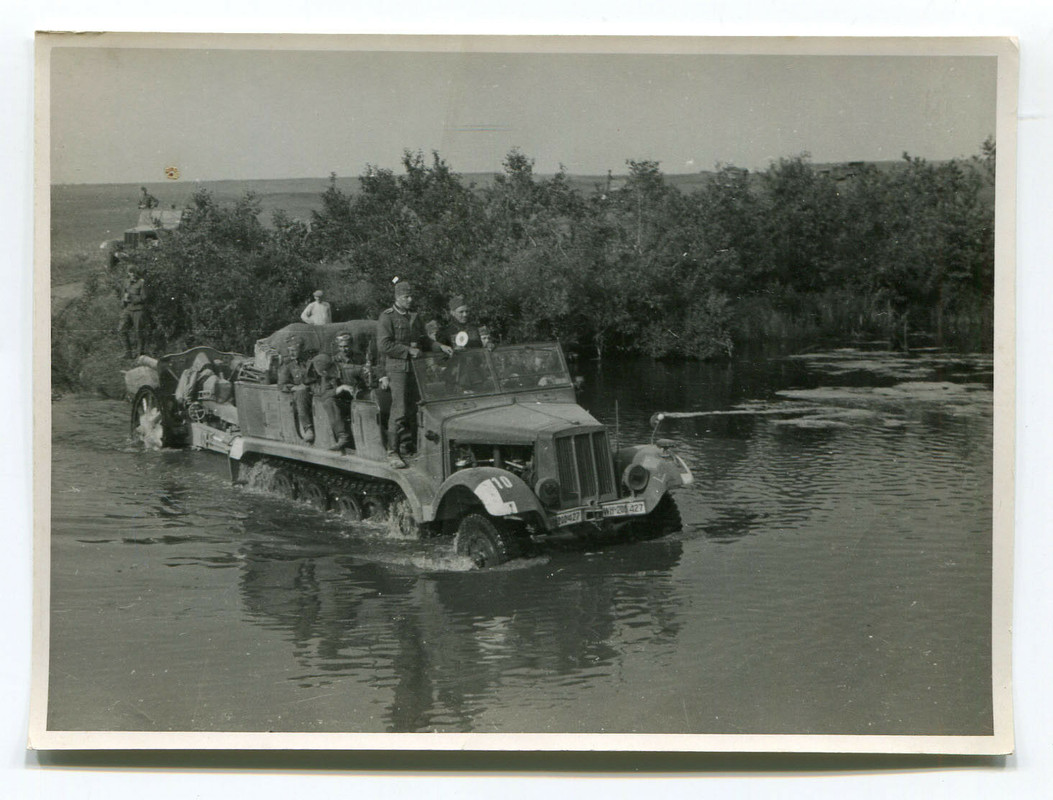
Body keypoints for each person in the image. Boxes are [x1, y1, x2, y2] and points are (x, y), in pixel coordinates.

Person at [377, 281, 452, 468]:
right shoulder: (387, 317)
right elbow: (384, 345)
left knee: (418, 407)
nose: (410, 300)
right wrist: (407, 351)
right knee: (399, 408)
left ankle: (413, 445)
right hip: (398, 369)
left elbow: (424, 340)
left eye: (411, 297)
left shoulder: (414, 317)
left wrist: (440, 346)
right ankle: (392, 451)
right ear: (397, 298)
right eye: (406, 297)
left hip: (416, 369)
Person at [308, 353, 350, 452]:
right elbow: (324, 395)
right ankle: (342, 436)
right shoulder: (326, 376)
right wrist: (338, 389)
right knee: (328, 402)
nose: (323, 374)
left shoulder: (347, 369)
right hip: (346, 404)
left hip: (359, 399)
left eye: (324, 371)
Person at [276, 336, 314, 443]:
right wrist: (295, 387)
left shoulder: (310, 361)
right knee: (300, 394)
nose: (291, 354)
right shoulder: (289, 365)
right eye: (290, 351)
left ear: (301, 350)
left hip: (315, 388)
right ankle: (308, 428)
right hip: (302, 394)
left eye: (294, 351)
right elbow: (281, 385)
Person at [117, 265, 148, 358]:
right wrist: (124, 301)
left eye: (134, 272)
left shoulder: (141, 282)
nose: (133, 274)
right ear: (128, 273)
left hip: (138, 310)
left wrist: (132, 298)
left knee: (139, 332)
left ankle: (140, 355)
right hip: (128, 309)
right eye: (130, 272)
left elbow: (144, 297)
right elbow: (123, 295)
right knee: (121, 330)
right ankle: (128, 353)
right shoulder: (126, 282)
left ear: (137, 272)